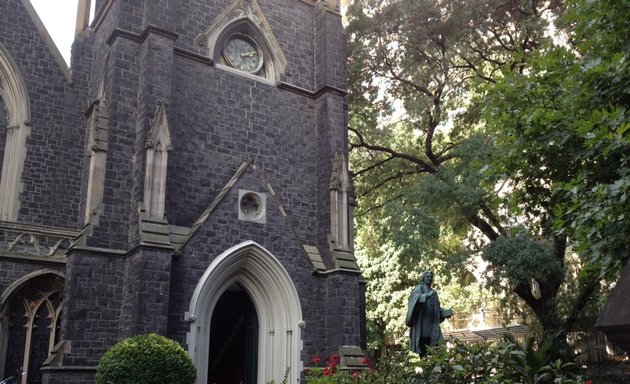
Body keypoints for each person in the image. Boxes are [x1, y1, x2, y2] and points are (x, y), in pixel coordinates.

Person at [405, 271, 452, 356]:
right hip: (422, 324)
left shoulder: (434, 292)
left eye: (431, 277)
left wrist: (445, 313)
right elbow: (414, 300)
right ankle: (425, 366)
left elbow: (437, 309)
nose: (429, 278)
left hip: (432, 325)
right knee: (423, 348)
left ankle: (439, 367)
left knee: (440, 347)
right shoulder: (419, 288)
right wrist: (427, 295)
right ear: (423, 277)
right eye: (427, 277)